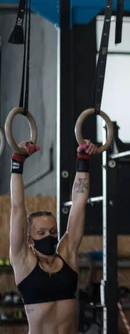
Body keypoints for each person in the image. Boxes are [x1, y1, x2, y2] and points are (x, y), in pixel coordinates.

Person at [9, 140, 97, 334]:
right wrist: (18, 162)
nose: (49, 236)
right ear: (29, 239)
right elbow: (17, 209)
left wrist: (83, 160)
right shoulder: (23, 260)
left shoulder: (67, 254)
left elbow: (79, 204)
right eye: (41, 233)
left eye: (53, 231)